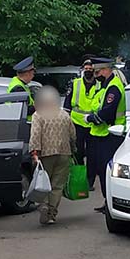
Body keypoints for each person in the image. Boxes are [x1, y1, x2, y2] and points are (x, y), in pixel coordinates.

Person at [85, 57, 127, 212]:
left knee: (106, 171)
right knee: (101, 170)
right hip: (101, 134)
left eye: (98, 72)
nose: (96, 75)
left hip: (111, 134)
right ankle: (106, 201)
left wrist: (91, 118)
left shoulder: (114, 87)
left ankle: (110, 202)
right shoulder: (105, 86)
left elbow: (108, 112)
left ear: (106, 70)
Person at [30, 88, 77, 225]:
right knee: (57, 186)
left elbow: (35, 135)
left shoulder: (38, 115)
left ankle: (43, 205)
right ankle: (51, 214)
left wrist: (34, 152)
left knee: (44, 183)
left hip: (45, 154)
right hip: (64, 153)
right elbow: (73, 135)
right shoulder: (64, 115)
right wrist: (73, 149)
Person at [64, 59, 99, 169]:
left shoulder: (99, 85)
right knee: (78, 150)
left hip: (93, 123)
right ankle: (80, 172)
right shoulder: (75, 83)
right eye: (86, 69)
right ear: (83, 70)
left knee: (92, 152)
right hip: (77, 123)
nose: (88, 71)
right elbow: (67, 103)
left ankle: (91, 175)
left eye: (90, 69)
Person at [8, 56, 36, 121]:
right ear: (27, 73)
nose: (33, 75)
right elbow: (22, 110)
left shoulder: (20, 84)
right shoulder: (18, 88)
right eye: (33, 73)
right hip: (22, 125)